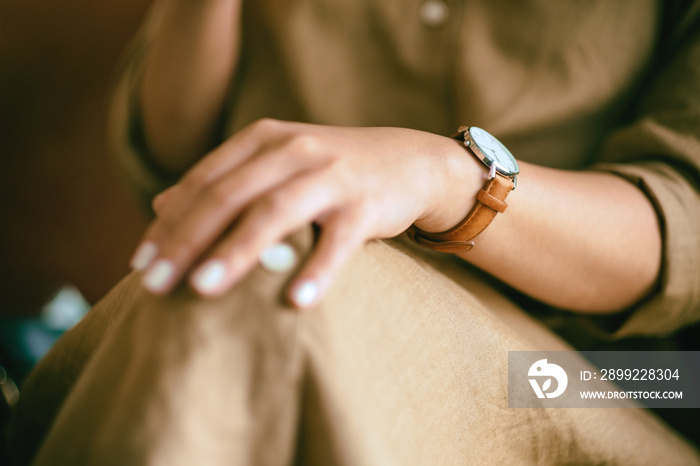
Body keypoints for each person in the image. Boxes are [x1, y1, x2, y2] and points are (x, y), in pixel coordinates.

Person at [8, 0, 700, 464]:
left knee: (282, 269)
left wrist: (443, 176)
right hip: (278, 294)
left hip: (614, 381)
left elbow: (684, 223)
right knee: (269, 257)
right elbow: (178, 165)